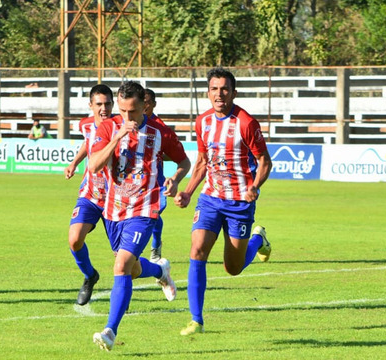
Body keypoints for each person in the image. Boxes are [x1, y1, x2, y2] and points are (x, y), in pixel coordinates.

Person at [89, 81, 191, 351]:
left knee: (121, 266)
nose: (126, 117)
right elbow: (94, 165)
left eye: (132, 112)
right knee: (132, 270)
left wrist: (175, 180)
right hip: (113, 210)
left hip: (145, 207)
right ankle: (160, 270)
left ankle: (110, 330)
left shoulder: (160, 132)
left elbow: (184, 162)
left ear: (144, 106)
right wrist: (117, 136)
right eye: (121, 110)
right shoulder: (109, 127)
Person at [174, 67, 273, 336]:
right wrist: (188, 191)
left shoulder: (246, 123)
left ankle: (258, 240)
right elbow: (203, 162)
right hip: (210, 198)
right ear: (208, 93)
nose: (220, 94)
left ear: (234, 92)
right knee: (197, 251)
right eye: (215, 89)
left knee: (233, 268)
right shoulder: (202, 122)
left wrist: (254, 186)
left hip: (239, 202)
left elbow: (265, 161)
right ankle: (196, 320)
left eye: (225, 89)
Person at [63, 84, 115, 306]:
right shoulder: (85, 125)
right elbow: (88, 142)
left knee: (123, 258)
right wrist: (75, 162)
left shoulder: (120, 126)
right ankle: (90, 276)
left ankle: (158, 271)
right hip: (91, 193)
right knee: (75, 239)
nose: (104, 108)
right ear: (91, 106)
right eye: (99, 104)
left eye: (107, 104)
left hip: (117, 198)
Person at [144, 89, 167, 262]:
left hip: (157, 183)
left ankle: (155, 245)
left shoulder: (160, 127)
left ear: (153, 104)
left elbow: (171, 153)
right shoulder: (132, 122)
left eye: (147, 102)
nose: (143, 105)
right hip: (137, 181)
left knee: (155, 213)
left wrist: (155, 152)